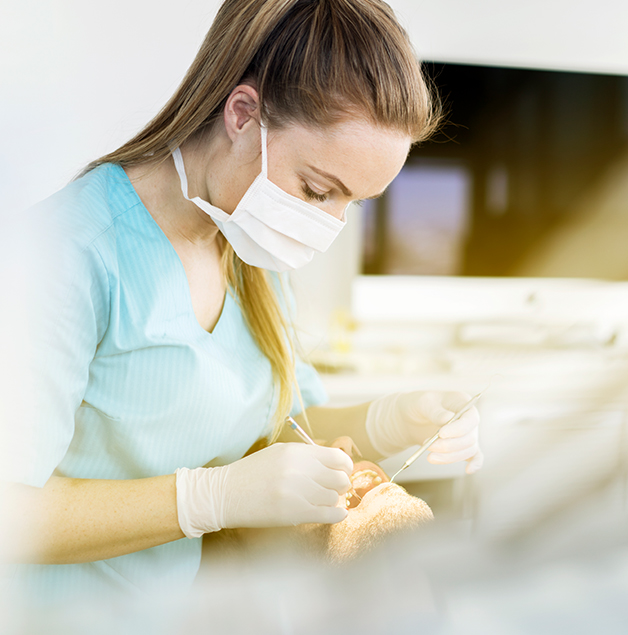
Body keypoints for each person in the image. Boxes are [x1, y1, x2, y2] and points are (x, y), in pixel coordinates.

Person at [0, 0, 482, 601]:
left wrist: (391, 419)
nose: (326, 225)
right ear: (243, 114)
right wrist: (210, 498)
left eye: (351, 204)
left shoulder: (246, 242)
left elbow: (274, 433)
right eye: (317, 189)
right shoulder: (69, 254)